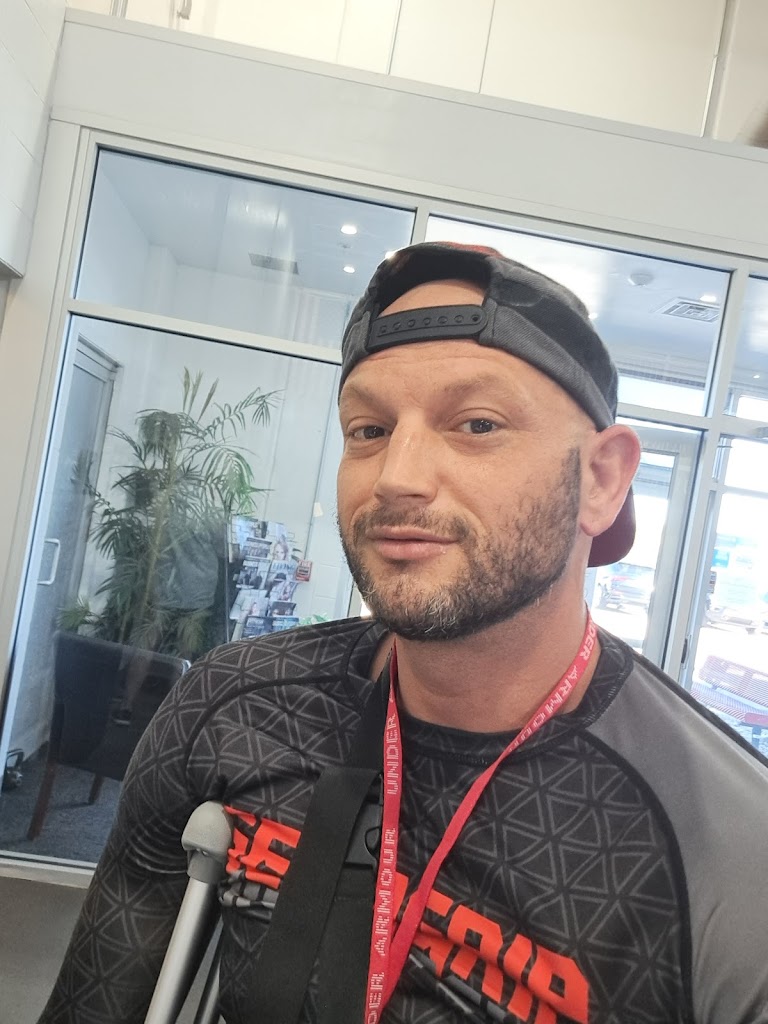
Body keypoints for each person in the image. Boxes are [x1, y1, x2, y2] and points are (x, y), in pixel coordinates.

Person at [39, 243, 768, 1023]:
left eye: (477, 423)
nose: (395, 477)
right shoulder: (235, 705)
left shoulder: (728, 849)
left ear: (601, 479)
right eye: (369, 429)